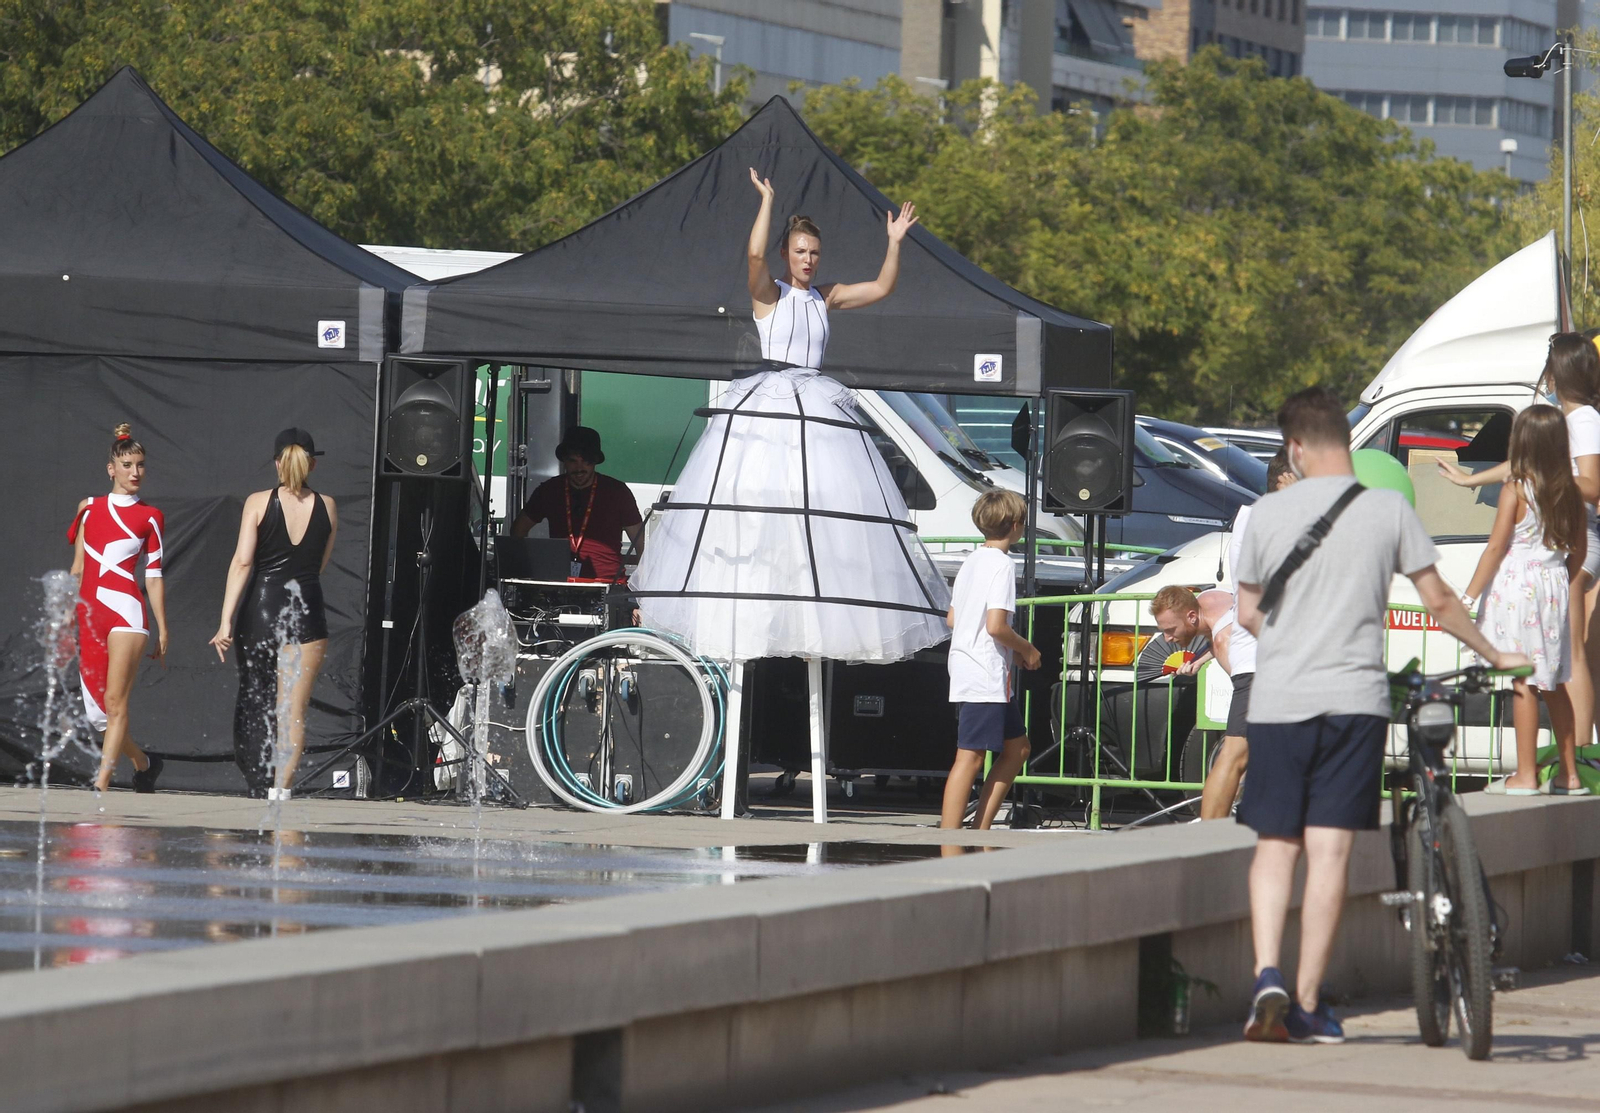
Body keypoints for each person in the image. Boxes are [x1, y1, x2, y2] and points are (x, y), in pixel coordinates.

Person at [1234, 387, 1526, 1045]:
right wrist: (1495, 650)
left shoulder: (1266, 513)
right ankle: (1308, 1002)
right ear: (1347, 440)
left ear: (1295, 447)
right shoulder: (1388, 508)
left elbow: (1248, 612)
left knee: (1275, 844)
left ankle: (1265, 975)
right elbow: (1442, 601)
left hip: (1279, 699)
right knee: (1330, 850)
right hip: (1354, 701)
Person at [630, 169, 950, 663]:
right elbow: (754, 255)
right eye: (801, 252)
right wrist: (767, 201)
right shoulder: (770, 294)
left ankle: (814, 614)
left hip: (816, 401)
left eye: (814, 253)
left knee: (822, 509)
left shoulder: (826, 296)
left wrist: (894, 242)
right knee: (755, 500)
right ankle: (744, 613)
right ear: (788, 254)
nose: (808, 260)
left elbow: (882, 288)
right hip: (770, 400)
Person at [1439, 332, 1600, 769]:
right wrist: (1471, 479)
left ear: (1561, 369)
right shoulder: (1560, 421)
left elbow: (1592, 483)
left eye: (1550, 364)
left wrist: (1545, 485)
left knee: (1568, 650)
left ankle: (1581, 750)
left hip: (1571, 536)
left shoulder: (1582, 418)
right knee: (1559, 653)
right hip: (1563, 537)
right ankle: (1573, 756)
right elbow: (1530, 461)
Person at [1461, 406, 1588, 795]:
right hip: (1553, 583)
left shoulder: (1516, 487)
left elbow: (1497, 546)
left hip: (1518, 587)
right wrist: (1559, 580)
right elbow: (1580, 550)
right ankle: (1570, 775)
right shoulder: (1571, 487)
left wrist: (1469, 595)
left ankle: (1526, 775)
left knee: (1523, 683)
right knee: (1556, 682)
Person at [209, 429, 338, 801]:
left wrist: (225, 620)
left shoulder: (257, 502)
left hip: (262, 610)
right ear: (312, 464)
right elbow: (320, 564)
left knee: (255, 698)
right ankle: (280, 791)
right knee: (293, 711)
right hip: (308, 611)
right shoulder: (328, 506)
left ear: (278, 463)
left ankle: (256, 783)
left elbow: (243, 562)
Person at [1190, 449, 1296, 819]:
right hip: (1264, 653)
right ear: (1286, 478)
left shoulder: (1258, 518)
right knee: (1237, 751)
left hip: (1271, 652)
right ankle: (1209, 838)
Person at [68, 424, 167, 793]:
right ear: (111, 468)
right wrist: (65, 616)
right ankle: (143, 762)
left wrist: (163, 627)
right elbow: (78, 567)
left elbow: (154, 575)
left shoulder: (151, 515)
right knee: (98, 714)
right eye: (127, 465)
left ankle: (102, 784)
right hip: (90, 612)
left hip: (127, 611)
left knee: (115, 700)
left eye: (140, 465)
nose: (135, 472)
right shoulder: (89, 508)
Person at [942, 490, 1042, 831]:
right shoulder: (1001, 564)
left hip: (974, 666)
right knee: (970, 757)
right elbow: (996, 625)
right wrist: (1026, 649)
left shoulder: (972, 560)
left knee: (1018, 748)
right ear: (1016, 526)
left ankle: (980, 827)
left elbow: (953, 618)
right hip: (985, 670)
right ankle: (949, 835)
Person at [1146, 585, 1249, 820]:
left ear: (1192, 617)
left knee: (1232, 761)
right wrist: (1199, 660)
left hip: (1255, 683)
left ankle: (1209, 832)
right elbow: (1214, 632)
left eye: (1171, 630)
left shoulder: (1224, 642)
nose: (1167, 638)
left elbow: (1246, 684)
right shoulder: (1208, 599)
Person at [510, 426, 643, 583]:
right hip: (560, 582)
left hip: (608, 583)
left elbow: (640, 541)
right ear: (564, 462)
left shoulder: (617, 491)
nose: (579, 468)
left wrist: (643, 581)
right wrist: (527, 570)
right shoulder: (549, 490)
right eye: (573, 461)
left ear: (594, 463)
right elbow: (518, 530)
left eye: (586, 462)